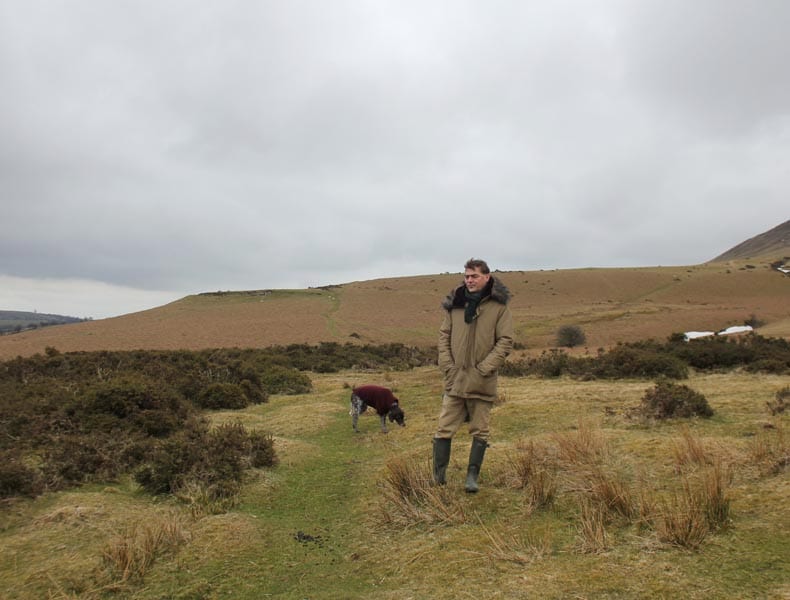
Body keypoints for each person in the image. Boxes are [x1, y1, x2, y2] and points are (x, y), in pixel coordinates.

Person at [433, 258, 514, 493]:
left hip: (482, 381)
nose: (469, 280)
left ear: (486, 277)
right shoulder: (455, 305)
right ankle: (439, 477)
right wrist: (447, 365)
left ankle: (472, 478)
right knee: (444, 428)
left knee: (480, 430)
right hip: (455, 379)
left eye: (474, 276)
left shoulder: (499, 308)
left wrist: (484, 368)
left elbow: (505, 341)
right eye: (467, 276)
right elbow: (443, 336)